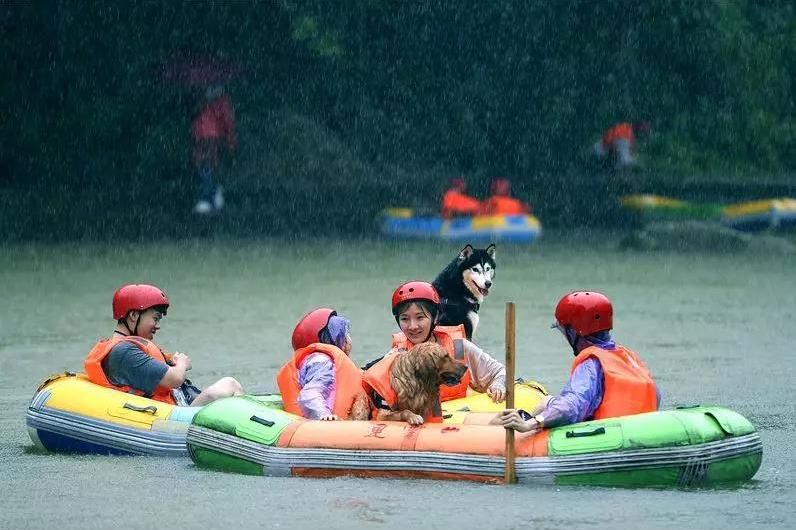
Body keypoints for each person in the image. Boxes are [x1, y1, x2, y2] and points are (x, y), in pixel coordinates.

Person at [493, 291, 660, 433]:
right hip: (644, 430)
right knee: (549, 402)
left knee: (544, 404)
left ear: (575, 331)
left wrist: (531, 423)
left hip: (608, 434)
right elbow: (655, 395)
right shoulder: (629, 357)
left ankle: (508, 429)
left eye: (564, 331)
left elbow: (572, 405)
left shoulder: (591, 364)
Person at [84, 284, 244, 406]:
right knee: (229, 383)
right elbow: (175, 379)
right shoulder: (124, 351)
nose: (157, 325)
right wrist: (181, 364)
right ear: (133, 315)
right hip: (177, 418)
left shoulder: (124, 348)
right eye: (155, 318)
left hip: (178, 409)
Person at [363, 281, 506, 411]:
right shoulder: (396, 355)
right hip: (422, 423)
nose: (412, 326)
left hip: (461, 417)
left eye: (420, 317)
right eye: (405, 319)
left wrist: (498, 385)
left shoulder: (458, 346)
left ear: (435, 317)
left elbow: (499, 372)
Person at [276, 308, 367, 421]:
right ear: (329, 339)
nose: (348, 338)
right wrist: (323, 414)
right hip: (321, 424)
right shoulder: (321, 362)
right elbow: (309, 395)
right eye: (342, 334)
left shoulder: (326, 361)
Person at [191, 85, 236, 214]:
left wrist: (230, 141)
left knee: (206, 166)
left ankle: (208, 198)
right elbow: (196, 114)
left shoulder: (222, 101)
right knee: (203, 166)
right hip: (201, 136)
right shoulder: (203, 99)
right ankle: (213, 194)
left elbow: (228, 122)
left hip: (212, 137)